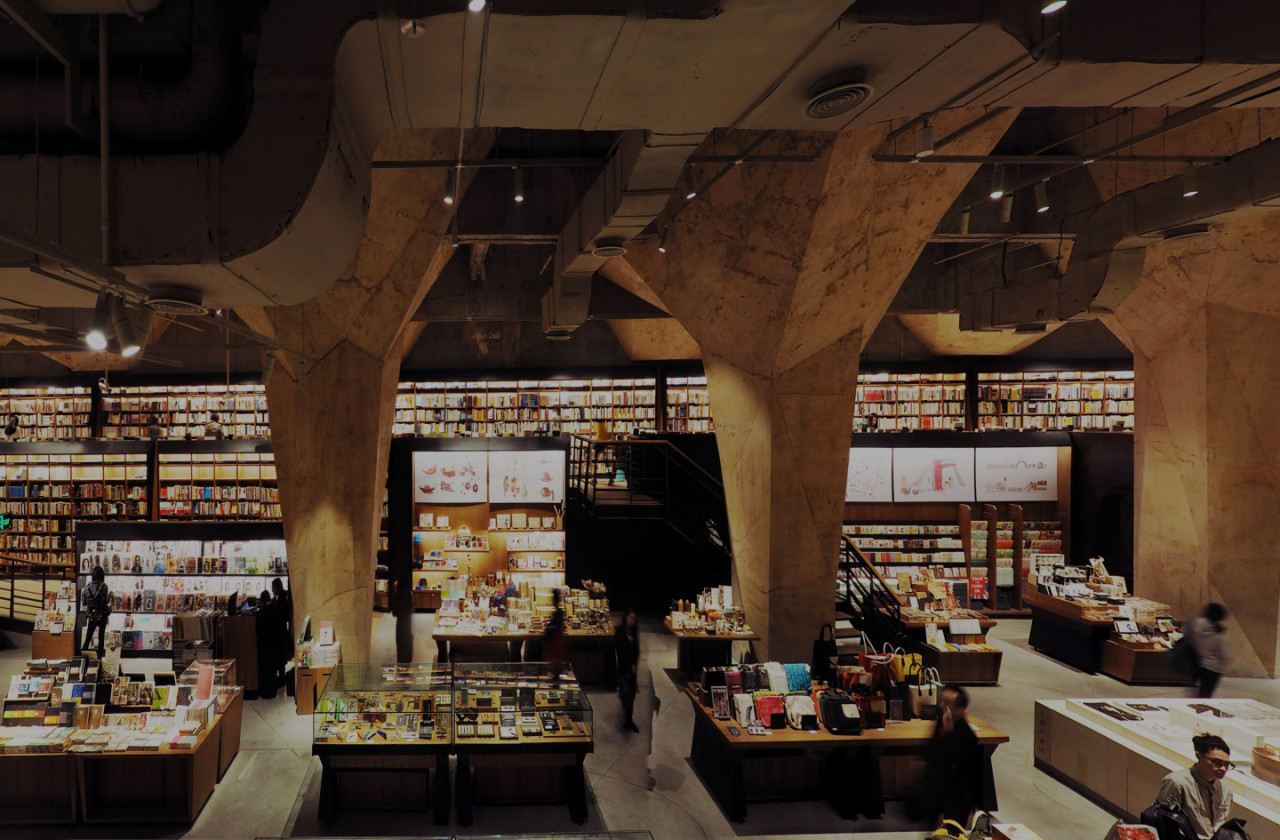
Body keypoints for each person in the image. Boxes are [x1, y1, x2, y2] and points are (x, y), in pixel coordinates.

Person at [920, 684, 982, 826]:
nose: (942, 706)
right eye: (942, 700)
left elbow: (957, 766)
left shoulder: (968, 737)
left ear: (960, 709)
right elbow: (932, 750)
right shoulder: (942, 720)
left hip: (957, 793)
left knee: (953, 830)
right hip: (936, 785)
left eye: (947, 703)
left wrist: (949, 734)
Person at [1155, 733, 1235, 839]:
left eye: (1227, 764)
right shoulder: (1177, 782)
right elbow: (1161, 821)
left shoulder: (1226, 790)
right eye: (1217, 762)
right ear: (1199, 756)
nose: (1223, 769)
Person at [1186, 603, 1229, 698]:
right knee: (1206, 695)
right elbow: (1225, 655)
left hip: (1196, 663)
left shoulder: (1195, 624)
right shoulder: (1219, 633)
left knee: (1195, 692)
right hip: (1212, 667)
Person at [615, 608, 640, 732]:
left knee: (631, 694)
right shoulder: (619, 630)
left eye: (634, 619)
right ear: (625, 617)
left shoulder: (635, 630)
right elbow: (619, 652)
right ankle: (628, 719)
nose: (632, 621)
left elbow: (637, 649)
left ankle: (629, 720)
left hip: (632, 668)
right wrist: (629, 665)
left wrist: (634, 664)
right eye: (630, 618)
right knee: (626, 694)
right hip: (624, 667)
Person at [80, 565, 111, 658]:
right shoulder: (104, 587)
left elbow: (84, 603)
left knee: (88, 637)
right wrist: (110, 595)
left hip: (92, 616)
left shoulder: (86, 588)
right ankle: (99, 659)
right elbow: (106, 601)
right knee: (101, 638)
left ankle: (83, 658)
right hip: (102, 615)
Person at [255, 590, 279, 698]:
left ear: (262, 600)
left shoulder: (260, 613)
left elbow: (257, 631)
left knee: (264, 669)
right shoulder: (275, 611)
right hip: (274, 643)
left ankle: (265, 692)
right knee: (272, 668)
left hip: (264, 645)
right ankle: (273, 691)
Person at [271, 578, 293, 690]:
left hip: (280, 631)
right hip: (282, 630)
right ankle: (281, 677)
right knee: (281, 656)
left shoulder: (281, 599)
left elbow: (280, 614)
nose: (272, 590)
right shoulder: (282, 597)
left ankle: (281, 679)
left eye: (273, 587)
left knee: (280, 655)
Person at [544, 588, 567, 679]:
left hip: (555, 647)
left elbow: (550, 631)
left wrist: (547, 629)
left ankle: (555, 682)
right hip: (557, 646)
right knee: (556, 669)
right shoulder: (559, 614)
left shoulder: (557, 615)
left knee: (555, 667)